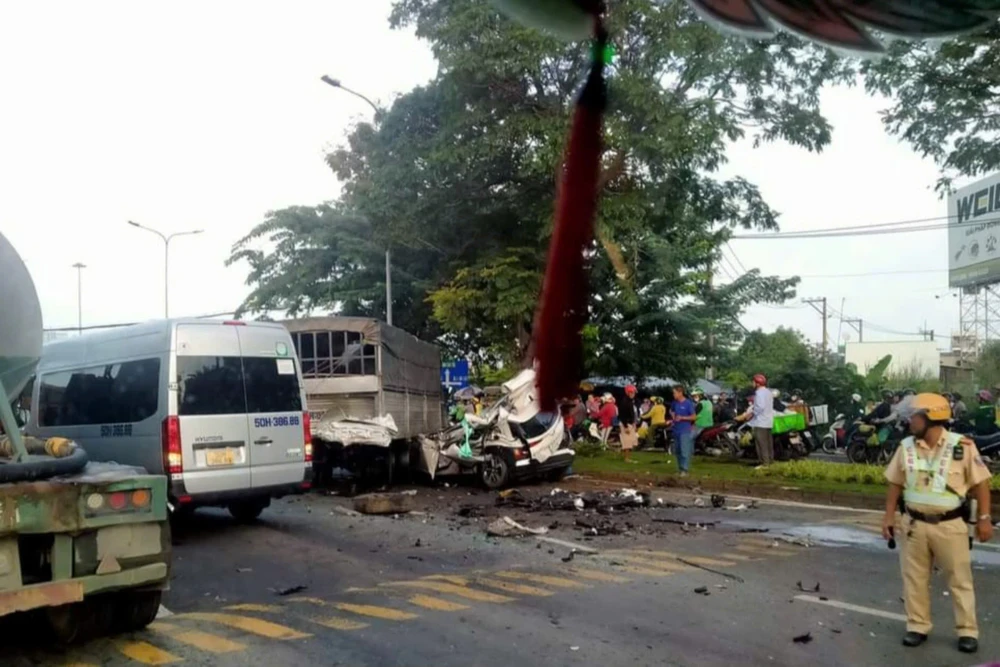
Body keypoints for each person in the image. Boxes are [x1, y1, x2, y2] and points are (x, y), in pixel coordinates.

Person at [881, 393, 992, 655]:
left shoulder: (962, 446)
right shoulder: (906, 446)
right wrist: (888, 516)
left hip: (950, 525)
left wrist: (984, 518)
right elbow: (895, 482)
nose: (910, 421)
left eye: (914, 417)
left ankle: (967, 631)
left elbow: (981, 484)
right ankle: (917, 626)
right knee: (914, 579)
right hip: (914, 525)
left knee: (960, 580)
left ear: (930, 418)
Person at [739, 374, 774, 466]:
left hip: (760, 422)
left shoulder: (759, 393)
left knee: (761, 443)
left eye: (753, 382)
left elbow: (760, 407)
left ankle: (764, 463)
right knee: (768, 443)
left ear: (758, 383)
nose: (752, 383)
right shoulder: (768, 392)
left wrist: (751, 414)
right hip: (768, 421)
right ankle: (770, 461)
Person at [669, 385, 697, 476]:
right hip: (676, 429)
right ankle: (680, 468)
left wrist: (682, 418)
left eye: (674, 393)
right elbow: (671, 410)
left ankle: (685, 469)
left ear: (680, 393)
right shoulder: (674, 403)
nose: (673, 395)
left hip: (685, 430)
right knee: (677, 450)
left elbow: (694, 417)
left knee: (684, 450)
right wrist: (673, 417)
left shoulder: (688, 403)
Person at [619, 384, 639, 462]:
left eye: (634, 393)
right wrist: (625, 426)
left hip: (630, 423)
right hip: (626, 424)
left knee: (631, 441)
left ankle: (626, 457)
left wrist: (634, 423)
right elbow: (622, 415)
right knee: (627, 442)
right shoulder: (624, 402)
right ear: (628, 392)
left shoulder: (631, 401)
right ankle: (626, 458)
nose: (633, 394)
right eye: (632, 392)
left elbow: (632, 413)